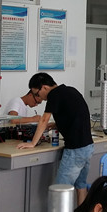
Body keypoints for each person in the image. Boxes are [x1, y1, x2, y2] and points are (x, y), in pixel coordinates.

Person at [17, 73, 93, 204]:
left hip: (75, 150)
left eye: (37, 94)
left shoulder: (54, 95)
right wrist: (57, 124)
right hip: (88, 147)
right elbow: (76, 116)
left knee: (60, 191)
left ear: (44, 87)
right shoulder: (71, 91)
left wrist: (33, 143)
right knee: (81, 186)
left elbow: (44, 120)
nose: (39, 98)